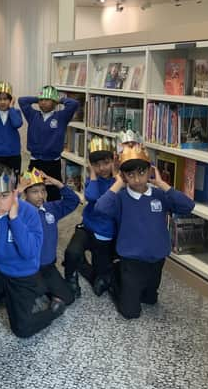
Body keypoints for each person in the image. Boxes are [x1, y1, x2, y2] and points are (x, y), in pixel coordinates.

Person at [0, 163, 60, 372]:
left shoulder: (28, 212)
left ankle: (55, 309)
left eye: (3, 196)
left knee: (23, 329)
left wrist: (14, 219)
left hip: (22, 270)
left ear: (14, 193)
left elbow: (29, 252)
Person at [95, 132, 195, 319]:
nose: (137, 179)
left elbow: (188, 206)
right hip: (131, 261)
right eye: (130, 174)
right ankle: (114, 279)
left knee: (150, 300)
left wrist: (162, 183)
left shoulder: (159, 195)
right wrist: (118, 184)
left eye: (141, 172)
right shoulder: (121, 198)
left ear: (149, 170)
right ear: (124, 176)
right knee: (131, 312)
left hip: (156, 259)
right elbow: (100, 208)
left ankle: (134, 286)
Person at [63, 136, 116, 298]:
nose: (102, 168)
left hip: (106, 234)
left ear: (114, 162)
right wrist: (92, 174)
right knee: (71, 252)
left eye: (106, 163)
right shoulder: (92, 180)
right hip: (87, 228)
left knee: (100, 283)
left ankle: (86, 267)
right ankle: (71, 279)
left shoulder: (119, 182)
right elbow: (91, 196)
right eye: (96, 165)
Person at [19, 169, 79, 311]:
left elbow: (73, 201)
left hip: (48, 266)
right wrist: (17, 191)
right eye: (34, 192)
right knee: (32, 298)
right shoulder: (19, 212)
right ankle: (38, 291)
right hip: (28, 268)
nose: (40, 195)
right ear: (25, 193)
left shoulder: (50, 208)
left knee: (68, 298)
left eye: (43, 191)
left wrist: (58, 184)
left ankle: (44, 291)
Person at [18, 85, 80, 201]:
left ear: (54, 102)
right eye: (41, 100)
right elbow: (22, 101)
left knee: (53, 190)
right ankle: (33, 212)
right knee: (30, 187)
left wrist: (59, 99)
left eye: (47, 100)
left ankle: (52, 212)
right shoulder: (33, 115)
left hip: (53, 162)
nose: (43, 103)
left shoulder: (61, 116)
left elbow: (73, 103)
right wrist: (38, 98)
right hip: (35, 160)